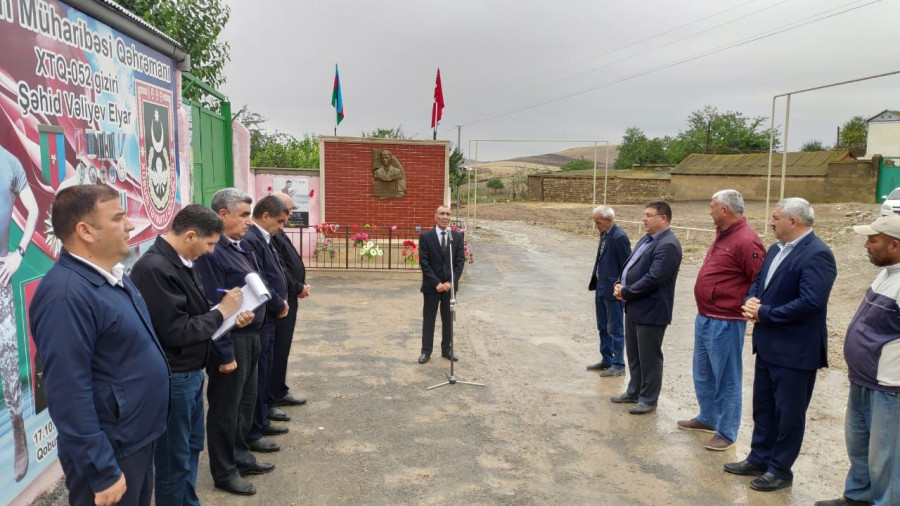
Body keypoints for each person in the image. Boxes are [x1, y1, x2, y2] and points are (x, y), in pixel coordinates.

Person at [29, 184, 169, 506]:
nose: (130, 225)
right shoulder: (65, 296)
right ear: (85, 231)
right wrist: (102, 469)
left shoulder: (112, 276)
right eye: (118, 218)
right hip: (112, 453)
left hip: (135, 440)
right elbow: (68, 391)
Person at [130, 205, 254, 505]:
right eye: (209, 244)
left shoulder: (181, 260)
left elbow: (196, 312)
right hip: (175, 376)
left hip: (190, 373)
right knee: (174, 458)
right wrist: (222, 312)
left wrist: (228, 318)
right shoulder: (155, 269)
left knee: (191, 447)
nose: (211, 251)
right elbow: (177, 331)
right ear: (189, 236)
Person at [725, 197, 837, 492]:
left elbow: (811, 303)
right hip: (768, 346)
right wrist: (751, 300)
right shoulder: (776, 249)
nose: (771, 222)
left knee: (789, 415)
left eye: (775, 218)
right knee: (763, 408)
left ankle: (780, 470)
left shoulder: (818, 254)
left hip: (796, 351)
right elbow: (759, 282)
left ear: (793, 221)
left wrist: (765, 313)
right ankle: (759, 458)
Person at [815, 215, 900, 506]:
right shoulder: (887, 273)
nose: (866, 245)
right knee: (860, 446)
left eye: (872, 240)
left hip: (889, 387)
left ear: (894, 245)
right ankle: (858, 497)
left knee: (886, 456)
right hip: (863, 379)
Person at [194, 188, 273, 496]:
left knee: (245, 402)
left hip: (250, 334)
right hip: (230, 339)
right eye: (243, 215)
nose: (248, 222)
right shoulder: (212, 252)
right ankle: (225, 471)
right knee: (226, 408)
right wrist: (224, 352)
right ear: (223, 214)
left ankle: (240, 456)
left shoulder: (238, 247)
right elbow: (212, 303)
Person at [678, 190, 765, 451]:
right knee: (703, 372)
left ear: (725, 210)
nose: (710, 211)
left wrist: (749, 305)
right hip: (706, 316)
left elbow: (759, 280)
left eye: (712, 206)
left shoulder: (746, 239)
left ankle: (727, 431)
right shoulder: (724, 234)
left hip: (726, 321)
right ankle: (708, 417)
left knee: (727, 377)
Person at [611, 200, 682, 415]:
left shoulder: (668, 245)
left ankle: (648, 399)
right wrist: (619, 283)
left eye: (649, 215)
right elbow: (630, 266)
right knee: (634, 355)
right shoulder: (647, 239)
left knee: (649, 357)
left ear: (664, 218)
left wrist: (626, 292)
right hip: (634, 307)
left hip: (651, 310)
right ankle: (634, 391)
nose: (644, 219)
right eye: (644, 215)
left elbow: (654, 278)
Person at [0, 145, 38, 482]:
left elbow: (33, 208)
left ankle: (18, 431)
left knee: (8, 359)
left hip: (0, 273)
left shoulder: (9, 162)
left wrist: (19, 252)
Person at [242, 195, 290, 447]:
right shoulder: (252, 239)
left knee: (265, 370)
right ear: (266, 216)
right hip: (262, 316)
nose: (281, 227)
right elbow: (260, 279)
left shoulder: (264, 238)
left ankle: (261, 420)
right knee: (258, 375)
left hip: (269, 317)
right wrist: (277, 302)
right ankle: (254, 429)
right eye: (279, 221)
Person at [269, 192, 311, 419]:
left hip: (289, 296)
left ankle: (279, 389)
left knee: (283, 347)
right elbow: (280, 268)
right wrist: (297, 287)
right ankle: (271, 397)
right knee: (276, 349)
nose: (290, 214)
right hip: (282, 297)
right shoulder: (270, 234)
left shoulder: (279, 230)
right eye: (287, 209)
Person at [586, 205, 631, 377]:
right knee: (603, 326)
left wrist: (621, 287)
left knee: (615, 328)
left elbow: (627, 266)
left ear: (609, 220)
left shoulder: (619, 237)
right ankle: (607, 359)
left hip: (613, 291)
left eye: (598, 222)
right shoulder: (605, 234)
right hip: (600, 286)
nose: (596, 225)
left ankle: (618, 365)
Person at [418, 205, 465, 364]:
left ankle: (447, 349)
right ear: (435, 217)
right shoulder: (426, 237)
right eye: (442, 214)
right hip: (432, 287)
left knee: (448, 319)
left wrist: (451, 282)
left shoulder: (456, 237)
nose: (445, 217)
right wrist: (436, 282)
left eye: (448, 214)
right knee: (429, 319)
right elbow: (424, 263)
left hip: (449, 288)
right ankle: (426, 351)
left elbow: (459, 262)